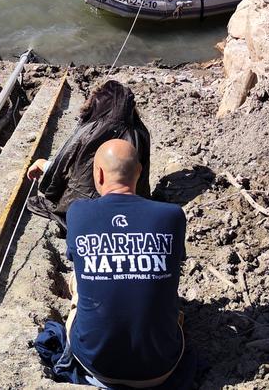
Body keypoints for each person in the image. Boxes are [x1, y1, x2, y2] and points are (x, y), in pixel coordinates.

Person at [61, 139, 191, 388]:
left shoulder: (78, 213)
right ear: (139, 173)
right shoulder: (172, 215)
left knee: (78, 278)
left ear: (98, 174)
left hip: (97, 365)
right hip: (161, 367)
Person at [25, 80, 151, 228]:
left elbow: (63, 171)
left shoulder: (87, 132)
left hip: (79, 209)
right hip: (128, 213)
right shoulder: (140, 134)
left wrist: (41, 163)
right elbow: (142, 181)